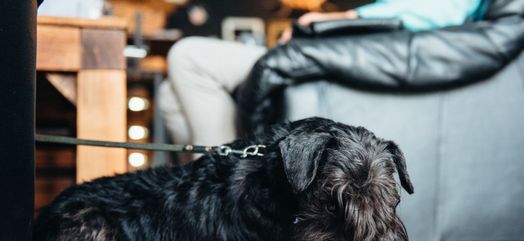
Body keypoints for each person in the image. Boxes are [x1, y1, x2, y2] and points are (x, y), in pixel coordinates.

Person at [158, 0, 485, 152]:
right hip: (338, 56)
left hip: (337, 61)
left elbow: (442, 9)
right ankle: (210, 203)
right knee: (170, 94)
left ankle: (228, 200)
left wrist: (342, 19)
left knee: (190, 56)